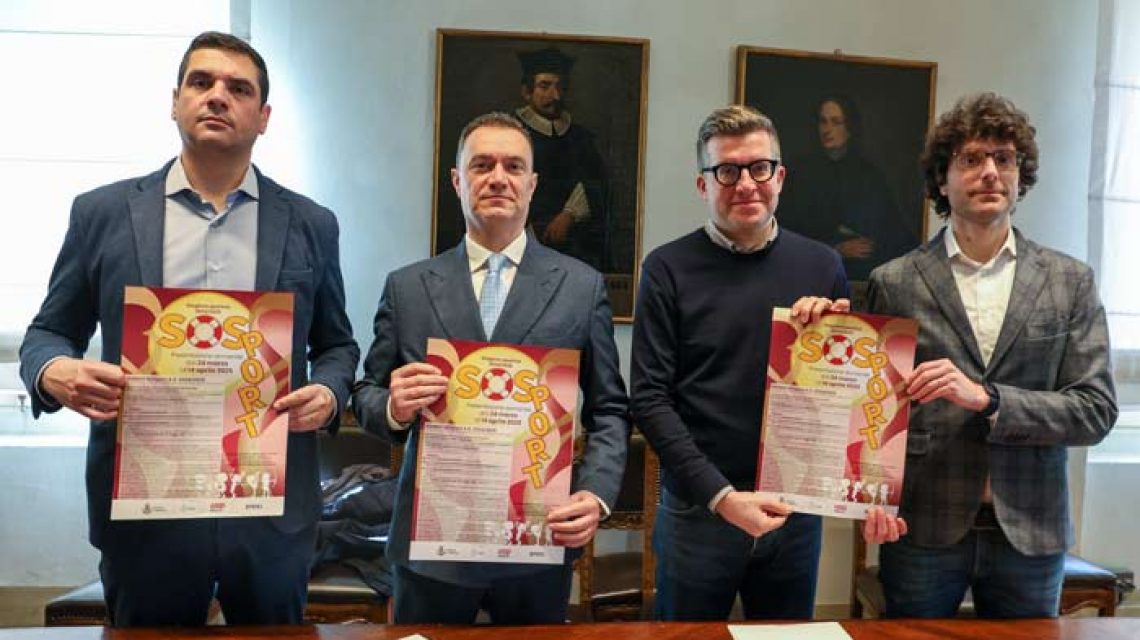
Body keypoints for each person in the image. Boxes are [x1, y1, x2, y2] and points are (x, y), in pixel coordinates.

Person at [18, 31, 359, 626]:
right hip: (146, 507)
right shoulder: (102, 213)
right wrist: (55, 372)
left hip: (269, 509)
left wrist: (329, 393)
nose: (217, 96)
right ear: (175, 101)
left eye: (239, 89)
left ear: (264, 117)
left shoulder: (311, 223)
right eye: (201, 82)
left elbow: (336, 346)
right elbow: (46, 334)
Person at [352, 111, 630, 624]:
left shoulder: (581, 287)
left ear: (532, 184)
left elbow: (610, 409)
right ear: (457, 181)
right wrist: (392, 406)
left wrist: (595, 492)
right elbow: (365, 393)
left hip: (535, 542)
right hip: (433, 546)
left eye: (513, 166)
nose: (498, 178)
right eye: (482, 165)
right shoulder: (408, 287)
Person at [857, 92, 1118, 618]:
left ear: (1021, 176)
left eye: (1004, 158)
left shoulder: (1068, 281)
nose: (991, 172)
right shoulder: (895, 281)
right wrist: (869, 501)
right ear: (942, 179)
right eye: (971, 159)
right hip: (923, 525)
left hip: (1031, 527)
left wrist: (990, 399)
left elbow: (1095, 411)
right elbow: (874, 411)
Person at [630, 105, 850, 621]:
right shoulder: (666, 268)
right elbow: (649, 399)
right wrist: (721, 497)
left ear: (781, 177)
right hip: (699, 512)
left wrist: (834, 340)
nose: (746, 183)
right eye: (727, 171)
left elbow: (846, 399)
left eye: (759, 168)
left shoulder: (823, 266)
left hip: (793, 513)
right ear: (703, 184)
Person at [779, 94, 919, 281]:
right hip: (809, 272)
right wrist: (836, 249)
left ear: (850, 128)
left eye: (836, 122)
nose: (827, 130)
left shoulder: (869, 175)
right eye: (823, 122)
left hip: (861, 275)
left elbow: (892, 229)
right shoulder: (800, 172)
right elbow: (788, 230)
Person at [513, 47, 609, 268]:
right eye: (545, 86)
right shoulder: (510, 133)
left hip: (574, 247)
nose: (555, 96)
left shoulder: (580, 138)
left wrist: (568, 215)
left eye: (560, 87)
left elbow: (595, 185)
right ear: (527, 92)